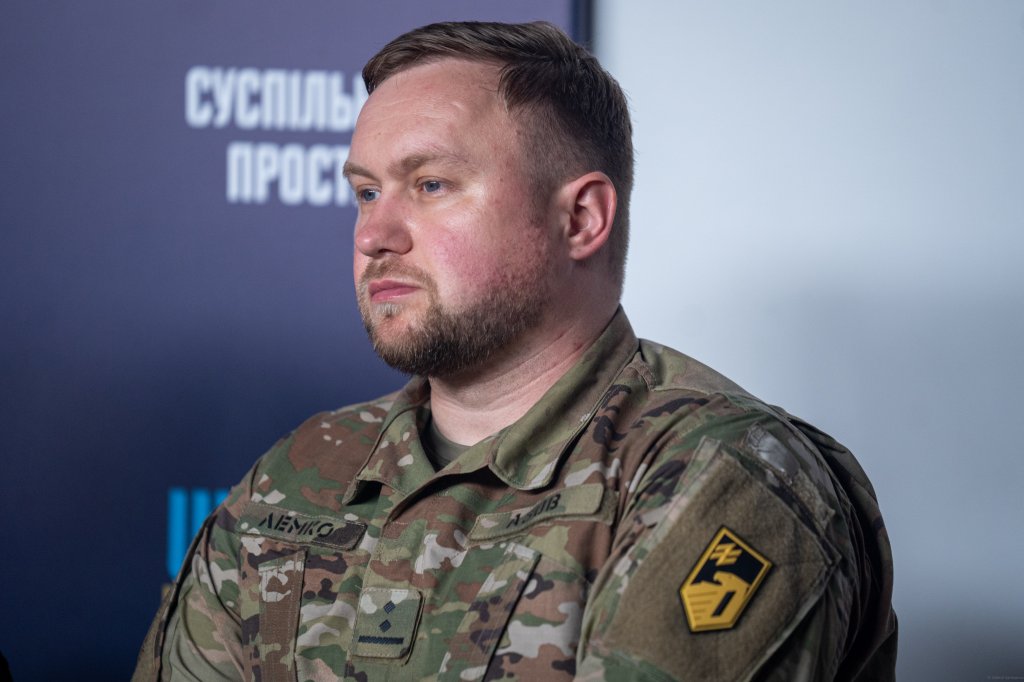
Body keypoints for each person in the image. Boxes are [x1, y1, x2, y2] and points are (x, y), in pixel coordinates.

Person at [133, 20, 897, 681]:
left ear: (581, 219)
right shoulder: (300, 474)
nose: (372, 235)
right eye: (366, 193)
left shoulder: (723, 478)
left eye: (430, 185)